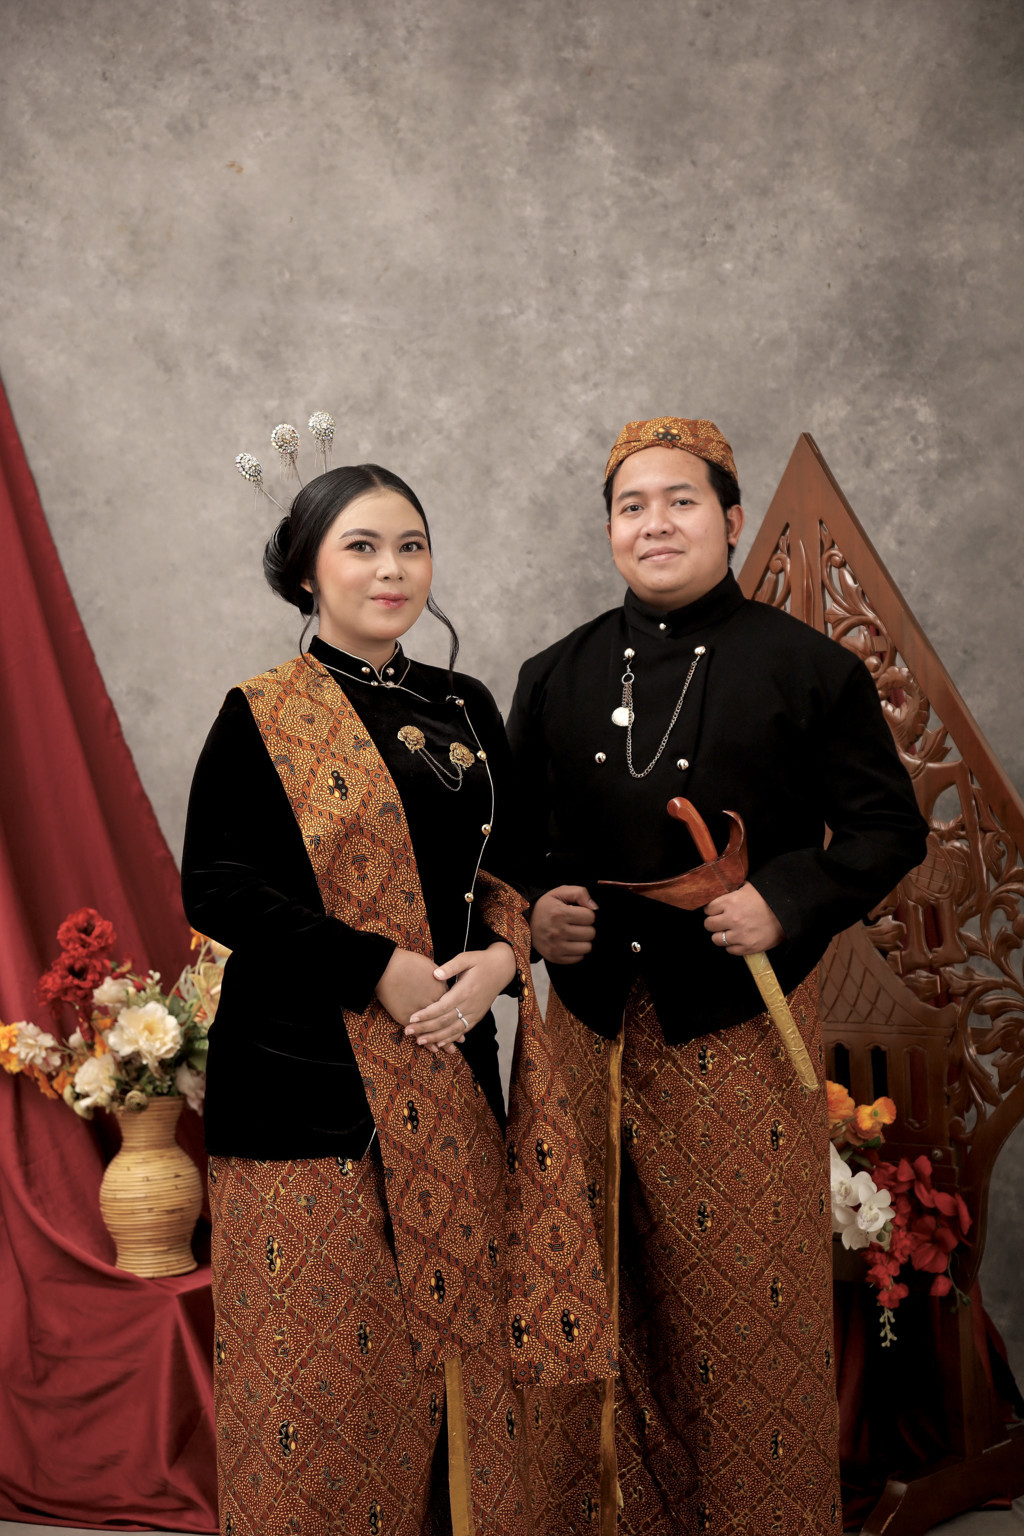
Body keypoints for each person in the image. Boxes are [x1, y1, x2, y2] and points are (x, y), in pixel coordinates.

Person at [507, 418, 929, 1534]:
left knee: (747, 1313)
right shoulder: (554, 674)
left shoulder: (808, 669)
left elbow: (888, 828)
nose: (654, 523)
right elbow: (512, 848)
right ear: (610, 530)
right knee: (583, 1299)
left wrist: (785, 899)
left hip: (735, 1033)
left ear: (730, 520)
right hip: (587, 1032)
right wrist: (538, 910)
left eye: (680, 500)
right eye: (630, 506)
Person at [181, 462, 611, 1536]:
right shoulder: (261, 713)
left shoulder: (464, 707)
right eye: (362, 547)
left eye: (410, 546)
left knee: (455, 1372)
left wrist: (504, 961)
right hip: (303, 1092)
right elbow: (218, 887)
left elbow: (516, 869)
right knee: (322, 1383)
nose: (392, 570)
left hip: (449, 1073)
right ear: (306, 572)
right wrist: (372, 962)